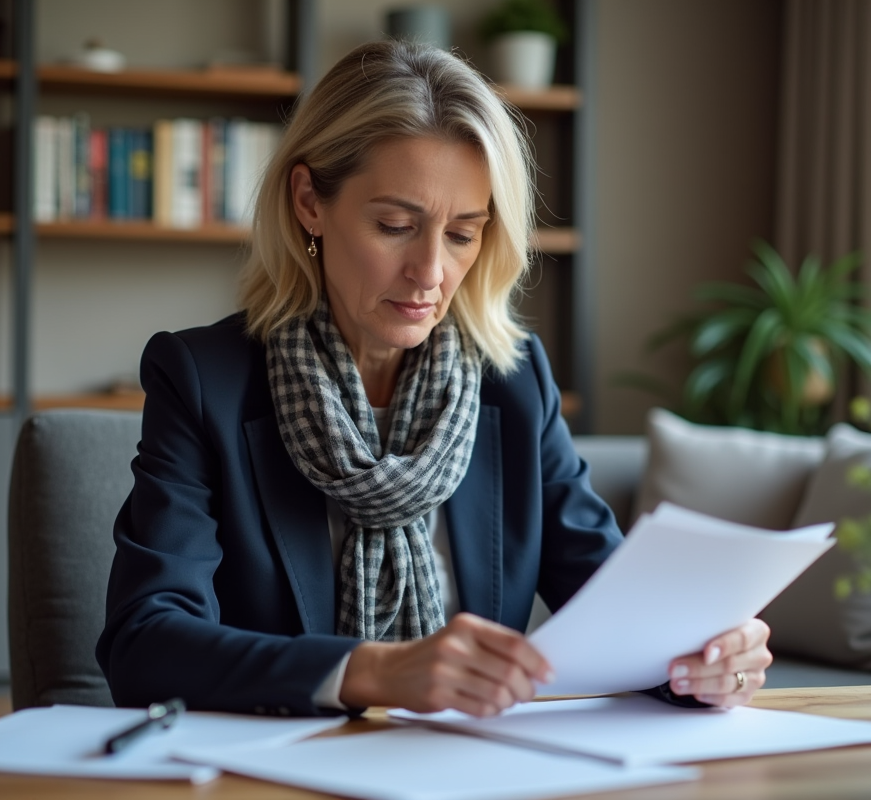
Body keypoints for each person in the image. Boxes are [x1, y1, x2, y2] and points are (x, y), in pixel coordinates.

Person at [96, 39, 772, 718]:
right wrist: (371, 671)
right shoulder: (204, 381)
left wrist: (706, 660)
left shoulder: (513, 382)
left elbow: (622, 615)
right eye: (396, 225)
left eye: (462, 234)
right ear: (309, 202)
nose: (430, 272)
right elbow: (144, 644)